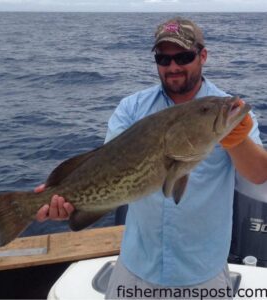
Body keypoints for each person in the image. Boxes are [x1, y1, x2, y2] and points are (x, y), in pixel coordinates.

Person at [35, 17, 267, 299]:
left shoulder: (226, 109)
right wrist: (63, 200)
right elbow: (103, 169)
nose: (173, 67)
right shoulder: (132, 108)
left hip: (202, 273)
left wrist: (235, 138)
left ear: (202, 56)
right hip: (136, 268)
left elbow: (258, 174)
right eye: (163, 59)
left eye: (183, 56)